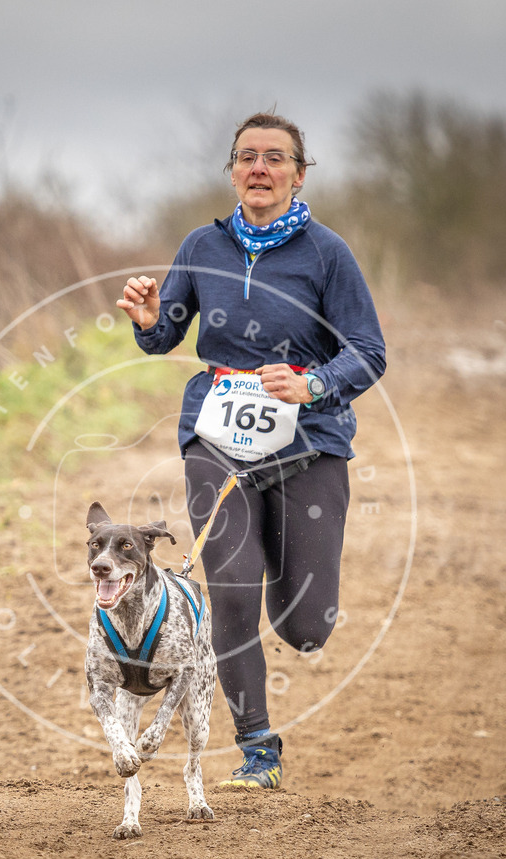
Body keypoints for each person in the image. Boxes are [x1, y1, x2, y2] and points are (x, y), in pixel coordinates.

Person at [116, 111, 386, 789]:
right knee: (231, 589)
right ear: (232, 170)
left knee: (306, 626)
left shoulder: (328, 254)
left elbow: (370, 352)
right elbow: (165, 334)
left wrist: (313, 383)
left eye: (275, 158)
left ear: (299, 172)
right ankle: (257, 747)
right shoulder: (201, 246)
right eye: (247, 157)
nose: (259, 168)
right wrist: (150, 322)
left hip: (310, 443)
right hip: (216, 436)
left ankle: (290, 584)